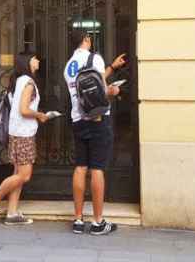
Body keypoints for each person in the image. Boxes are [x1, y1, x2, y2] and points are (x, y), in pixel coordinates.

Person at [63, 29, 126, 235]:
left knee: (81, 167)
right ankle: (98, 222)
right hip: (98, 119)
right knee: (97, 168)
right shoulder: (94, 57)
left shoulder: (69, 66)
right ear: (86, 39)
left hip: (78, 119)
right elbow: (101, 88)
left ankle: (78, 220)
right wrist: (114, 91)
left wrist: (111, 68)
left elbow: (88, 84)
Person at [0, 52, 49, 225]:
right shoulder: (28, 83)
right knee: (24, 175)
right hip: (23, 134)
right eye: (35, 58)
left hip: (16, 132)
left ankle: (12, 214)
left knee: (17, 173)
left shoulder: (19, 81)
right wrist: (40, 115)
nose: (38, 60)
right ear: (28, 62)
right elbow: (23, 110)